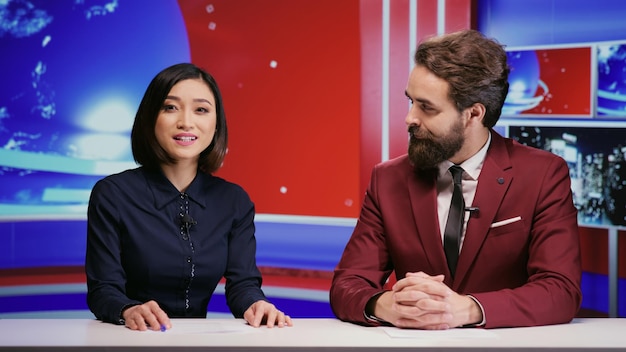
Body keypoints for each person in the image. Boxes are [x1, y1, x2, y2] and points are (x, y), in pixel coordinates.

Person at [330, 29, 582, 329]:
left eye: (426, 107)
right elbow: (347, 285)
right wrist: (386, 304)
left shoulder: (543, 175)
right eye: (410, 101)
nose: (410, 118)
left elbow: (560, 290)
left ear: (473, 114)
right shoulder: (387, 179)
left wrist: (468, 309)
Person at [85, 63, 292, 331]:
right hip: (130, 340)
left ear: (216, 124)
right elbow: (103, 290)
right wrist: (128, 309)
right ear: (150, 118)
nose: (185, 121)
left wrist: (256, 304)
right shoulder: (112, 194)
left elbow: (243, 285)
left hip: (196, 343)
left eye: (201, 110)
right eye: (170, 107)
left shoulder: (234, 201)